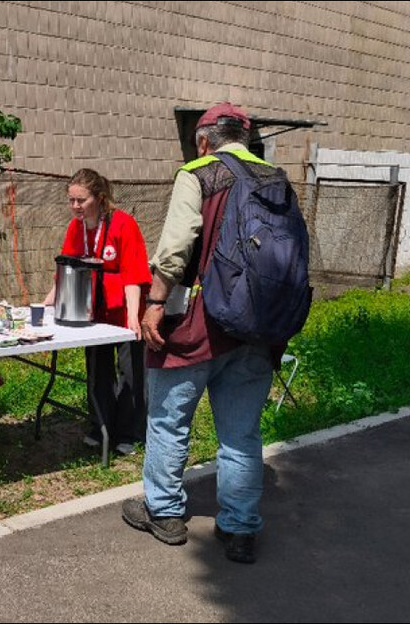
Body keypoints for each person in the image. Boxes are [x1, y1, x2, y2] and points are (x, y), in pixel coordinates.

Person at [122, 102, 287, 564]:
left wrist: (155, 304)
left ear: (203, 140)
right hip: (258, 326)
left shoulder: (199, 173)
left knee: (168, 420)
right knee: (241, 435)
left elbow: (176, 247)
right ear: (246, 138)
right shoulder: (276, 179)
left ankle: (166, 513)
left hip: (200, 323)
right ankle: (239, 529)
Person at [43, 169, 151, 456]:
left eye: (82, 200)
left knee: (130, 375)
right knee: (98, 373)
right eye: (71, 200)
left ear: (100, 198)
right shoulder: (75, 228)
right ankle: (101, 426)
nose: (76, 207)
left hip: (125, 311)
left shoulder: (123, 224)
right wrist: (50, 301)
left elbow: (133, 274)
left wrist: (132, 317)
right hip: (93, 313)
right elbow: (65, 268)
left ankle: (130, 431)